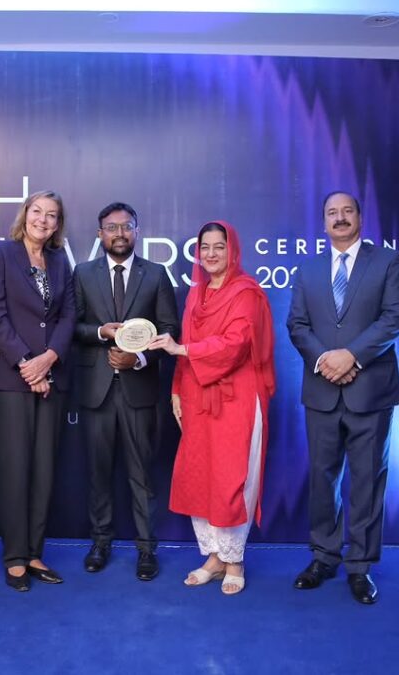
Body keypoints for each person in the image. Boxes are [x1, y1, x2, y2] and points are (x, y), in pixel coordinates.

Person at [286, 191, 399, 605]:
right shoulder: (308, 269)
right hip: (321, 390)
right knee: (322, 479)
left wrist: (351, 356)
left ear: (360, 216)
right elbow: (297, 325)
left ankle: (360, 566)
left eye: (347, 211)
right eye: (331, 213)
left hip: (371, 390)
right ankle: (324, 557)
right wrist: (326, 360)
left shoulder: (388, 262)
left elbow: (394, 319)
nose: (339, 218)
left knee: (367, 480)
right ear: (323, 222)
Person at [148, 220, 275, 596]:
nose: (212, 253)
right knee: (201, 475)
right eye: (205, 247)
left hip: (237, 399)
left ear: (232, 250)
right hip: (196, 396)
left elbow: (236, 344)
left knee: (232, 477)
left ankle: (235, 560)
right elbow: (185, 344)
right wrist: (176, 389)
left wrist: (182, 350)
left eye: (220, 246)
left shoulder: (246, 292)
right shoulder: (197, 294)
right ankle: (215, 557)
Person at [72, 202, 179, 580]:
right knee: (98, 472)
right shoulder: (83, 273)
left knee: (142, 475)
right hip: (97, 391)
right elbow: (73, 328)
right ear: (100, 233)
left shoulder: (156, 274)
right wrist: (101, 332)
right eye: (111, 227)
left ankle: (146, 549)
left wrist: (139, 359)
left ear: (137, 231)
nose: (119, 233)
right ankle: (100, 542)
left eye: (126, 226)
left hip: (140, 389)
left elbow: (170, 330)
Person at [0, 190, 76, 592]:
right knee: (14, 469)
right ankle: (15, 556)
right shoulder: (0, 253)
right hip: (11, 380)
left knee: (44, 470)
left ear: (58, 223)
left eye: (52, 215)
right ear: (25, 214)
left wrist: (49, 359)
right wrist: (27, 363)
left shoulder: (60, 260)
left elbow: (69, 314)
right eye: (37, 211)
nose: (43, 220)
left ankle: (35, 552)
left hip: (51, 379)